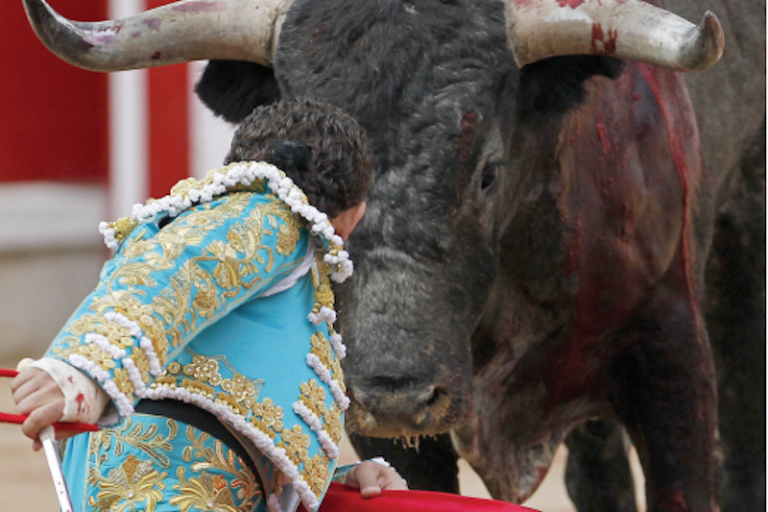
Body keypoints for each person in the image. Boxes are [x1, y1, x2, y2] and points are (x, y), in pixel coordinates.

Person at [11, 98, 407, 512]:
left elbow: (234, 419)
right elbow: (172, 275)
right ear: (354, 216)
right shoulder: (268, 216)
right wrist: (85, 370)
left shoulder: (266, 257)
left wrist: (333, 483)